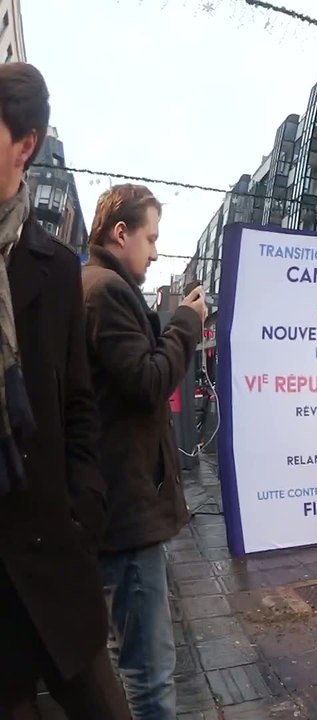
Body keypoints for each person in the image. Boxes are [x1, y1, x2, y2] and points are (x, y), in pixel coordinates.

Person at [0, 63, 130, 719]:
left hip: (52, 552)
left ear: (25, 145)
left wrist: (85, 511)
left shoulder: (53, 271)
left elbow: (78, 406)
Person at [81, 184, 206, 720]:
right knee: (151, 674)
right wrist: (185, 324)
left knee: (128, 654)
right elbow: (148, 381)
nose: (155, 253)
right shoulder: (106, 291)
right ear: (121, 232)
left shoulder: (98, 285)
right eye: (151, 239)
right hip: (128, 512)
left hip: (119, 504)